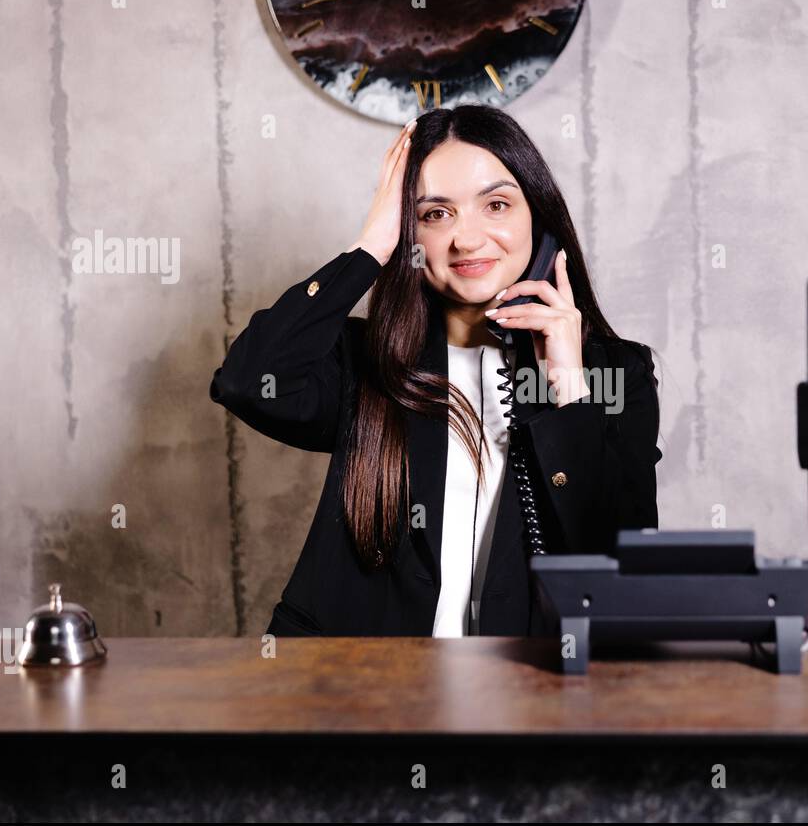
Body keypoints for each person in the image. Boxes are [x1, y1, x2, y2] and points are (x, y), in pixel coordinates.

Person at [209, 104, 661, 637]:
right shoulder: (366, 362)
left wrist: (566, 388)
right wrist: (370, 248)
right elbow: (247, 380)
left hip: (528, 693)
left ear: (538, 220)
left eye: (496, 205)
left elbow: (620, 562)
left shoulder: (617, 374)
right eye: (435, 214)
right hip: (356, 690)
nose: (466, 240)